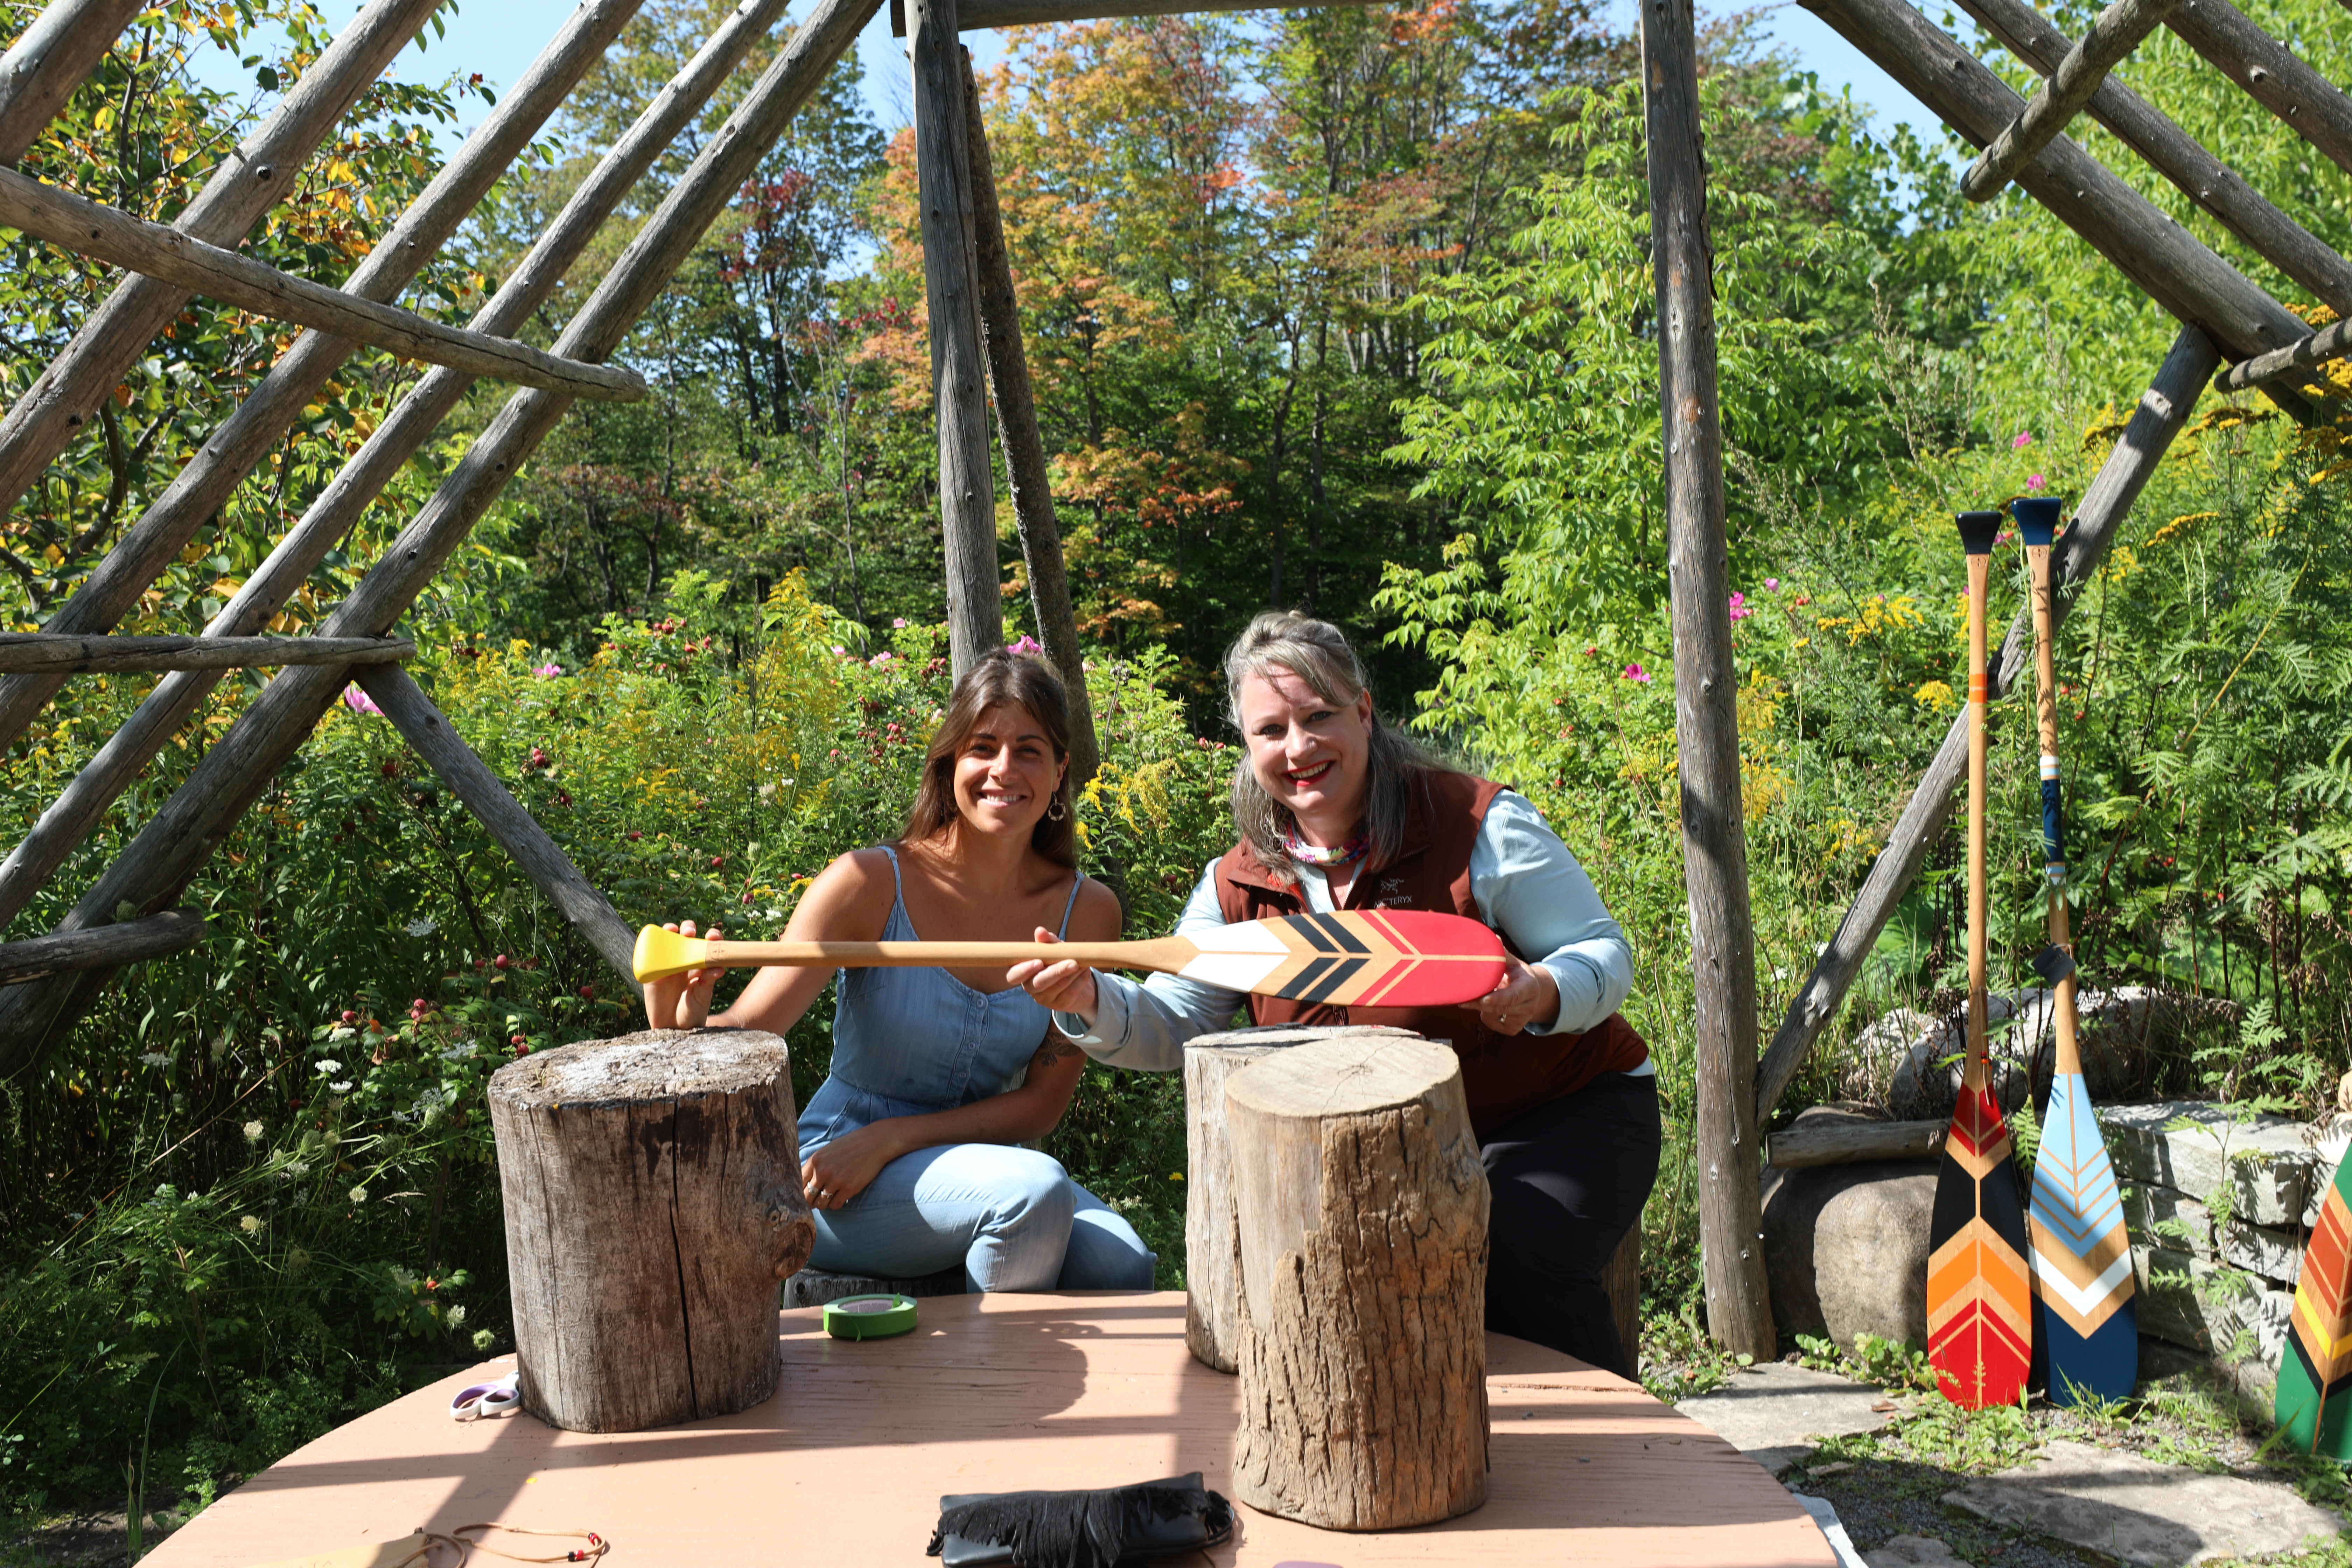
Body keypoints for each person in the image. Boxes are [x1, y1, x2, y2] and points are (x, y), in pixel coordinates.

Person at [1010, 610, 1657, 1374]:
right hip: (1382, 1149)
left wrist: (1544, 990)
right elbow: (1178, 1021)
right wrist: (1089, 995)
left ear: (1365, 711)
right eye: (1272, 729)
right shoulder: (1239, 885)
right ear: (1248, 748)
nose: (1299, 747)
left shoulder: (1478, 824)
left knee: (1506, 1247)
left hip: (1559, 1114)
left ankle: (1615, 1457)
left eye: (1319, 717)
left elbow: (1603, 953)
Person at [645, 648, 1155, 1293]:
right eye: (982, 746)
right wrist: (682, 1022)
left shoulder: (1089, 912)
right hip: (835, 1168)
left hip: (968, 1166)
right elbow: (748, 1027)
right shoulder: (867, 882)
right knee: (1033, 1195)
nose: (1004, 769)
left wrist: (895, 1138)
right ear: (950, 766)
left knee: (1125, 1265)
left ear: (1061, 773)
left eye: (1029, 750)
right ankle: (990, 1395)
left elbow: (1041, 1105)